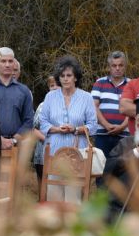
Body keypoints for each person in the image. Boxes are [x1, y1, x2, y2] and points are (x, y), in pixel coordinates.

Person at [39, 56, 98, 202]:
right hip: (54, 153)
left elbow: (93, 125)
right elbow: (43, 122)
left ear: (75, 77)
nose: (65, 79)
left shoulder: (86, 97)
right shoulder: (50, 97)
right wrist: (57, 129)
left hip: (77, 155)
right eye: (62, 76)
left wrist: (76, 129)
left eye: (69, 75)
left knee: (73, 199)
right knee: (54, 197)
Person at [0, 47, 34, 149]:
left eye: (10, 61)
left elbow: (29, 120)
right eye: (3, 61)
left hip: (16, 147)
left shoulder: (24, 91)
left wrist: (14, 140)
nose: (7, 65)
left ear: (14, 63)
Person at [91, 50, 130, 161]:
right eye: (114, 65)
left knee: (123, 171)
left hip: (125, 136)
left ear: (125, 67)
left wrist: (122, 126)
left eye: (120, 65)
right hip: (103, 134)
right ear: (109, 67)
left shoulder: (132, 84)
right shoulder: (99, 83)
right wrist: (107, 125)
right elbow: (94, 107)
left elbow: (134, 109)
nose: (117, 68)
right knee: (102, 170)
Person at [33, 76, 59, 188]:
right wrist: (50, 140)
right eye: (52, 85)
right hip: (42, 156)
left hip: (62, 156)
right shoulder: (42, 106)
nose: (55, 88)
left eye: (57, 85)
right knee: (44, 193)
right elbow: (33, 129)